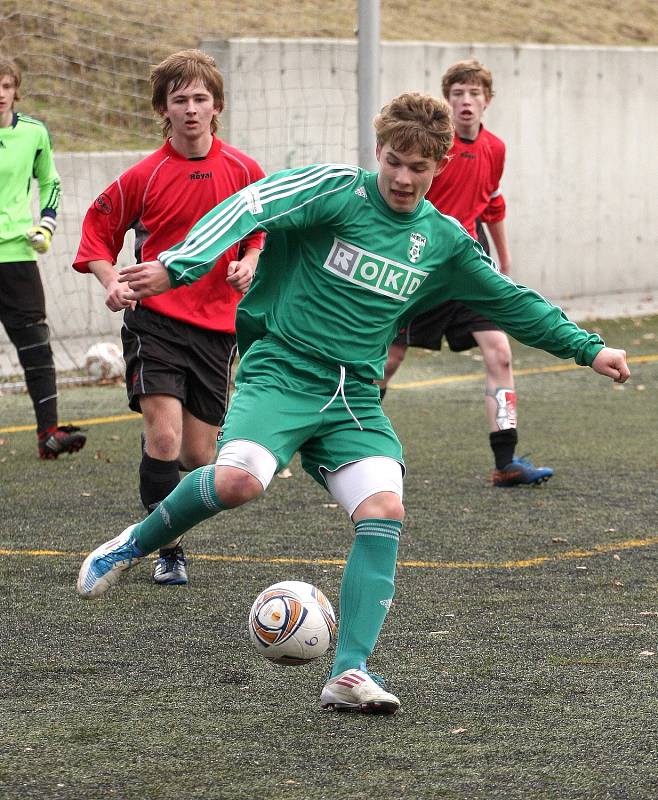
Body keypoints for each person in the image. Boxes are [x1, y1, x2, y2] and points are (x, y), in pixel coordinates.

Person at [76, 92, 630, 715]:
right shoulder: (334, 190)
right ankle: (132, 544)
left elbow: (509, 299)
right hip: (282, 370)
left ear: (439, 167)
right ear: (378, 152)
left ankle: (349, 673)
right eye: (394, 161)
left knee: (384, 508)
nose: (402, 177)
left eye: (419, 167)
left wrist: (588, 348)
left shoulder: (442, 240)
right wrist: (180, 265)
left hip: (354, 397)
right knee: (236, 483)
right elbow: (246, 206)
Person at [73, 50, 265, 586]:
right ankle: (166, 549)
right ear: (164, 109)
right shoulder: (144, 175)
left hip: (217, 329)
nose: (190, 108)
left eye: (200, 98)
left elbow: (262, 230)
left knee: (197, 455)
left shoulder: (245, 171)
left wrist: (250, 261)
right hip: (154, 321)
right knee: (164, 439)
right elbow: (95, 239)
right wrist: (112, 281)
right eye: (179, 99)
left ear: (216, 106)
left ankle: (164, 496)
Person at [379, 59, 552, 488]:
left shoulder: (495, 148)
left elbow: (492, 204)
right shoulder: (433, 153)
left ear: (487, 101)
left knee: (500, 352)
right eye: (457, 94)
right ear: (447, 100)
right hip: (423, 266)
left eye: (474, 93)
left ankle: (506, 461)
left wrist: (504, 260)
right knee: (388, 360)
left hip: (470, 267)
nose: (466, 101)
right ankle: (338, 431)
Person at [0, 55, 86, 460]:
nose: (0, 95)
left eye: (5, 86)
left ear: (16, 89)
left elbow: (50, 181)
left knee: (36, 346)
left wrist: (47, 225)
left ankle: (48, 434)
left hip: (17, 256)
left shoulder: (34, 133)